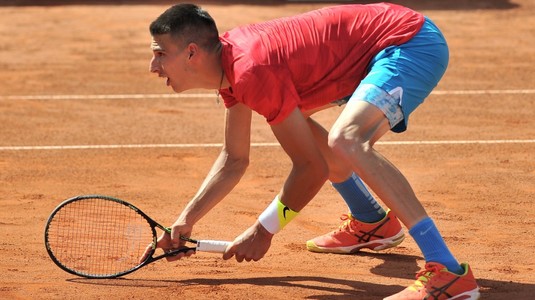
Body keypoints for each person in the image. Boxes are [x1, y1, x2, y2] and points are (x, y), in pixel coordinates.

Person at [144, 3, 480, 299]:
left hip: (409, 42)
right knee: (305, 124)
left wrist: (265, 230)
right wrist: (184, 222)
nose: (152, 66)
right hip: (371, 53)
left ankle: (448, 271)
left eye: (160, 53)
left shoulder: (250, 70)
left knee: (347, 139)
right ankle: (371, 222)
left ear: (191, 52)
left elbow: (311, 169)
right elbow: (234, 158)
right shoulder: (231, 69)